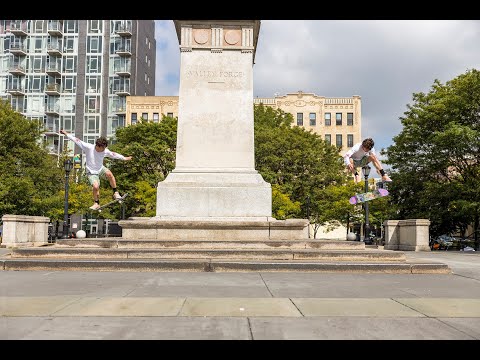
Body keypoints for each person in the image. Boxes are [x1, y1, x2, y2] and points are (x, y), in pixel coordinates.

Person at [60, 129, 132, 210]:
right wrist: (66, 133)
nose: (104, 150)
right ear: (98, 146)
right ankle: (96, 203)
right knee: (95, 186)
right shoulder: (88, 147)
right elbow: (76, 140)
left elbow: (114, 154)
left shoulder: (105, 151)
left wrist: (124, 158)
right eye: (103, 148)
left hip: (100, 168)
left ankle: (115, 192)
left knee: (109, 174)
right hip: (91, 172)